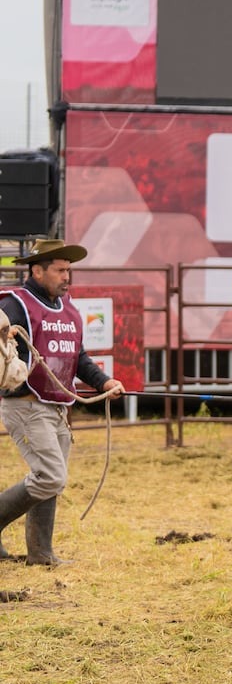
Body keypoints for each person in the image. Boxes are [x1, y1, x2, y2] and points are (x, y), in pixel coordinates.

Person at [0, 239, 125, 565]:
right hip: (26, 405)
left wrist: (104, 381)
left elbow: (78, 358)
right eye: (60, 270)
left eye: (68, 270)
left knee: (49, 479)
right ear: (37, 271)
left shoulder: (68, 310)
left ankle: (41, 554)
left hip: (56, 407)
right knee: (51, 476)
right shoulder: (16, 304)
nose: (66, 277)